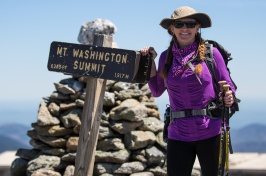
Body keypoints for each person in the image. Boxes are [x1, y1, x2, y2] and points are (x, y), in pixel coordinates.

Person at [140, 6, 236, 176]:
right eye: (179, 24)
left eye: (190, 24)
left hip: (210, 131)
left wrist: (229, 96)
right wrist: (151, 62)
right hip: (178, 133)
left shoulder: (211, 54)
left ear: (197, 27)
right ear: (172, 29)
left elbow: (228, 86)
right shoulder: (165, 57)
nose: (185, 29)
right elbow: (156, 90)